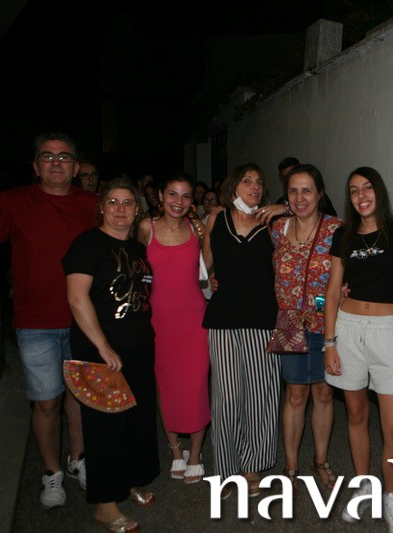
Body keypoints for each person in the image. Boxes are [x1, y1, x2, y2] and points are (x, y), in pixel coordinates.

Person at [0, 132, 95, 508]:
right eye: (47, 156)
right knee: (46, 401)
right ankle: (51, 473)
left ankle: (78, 459)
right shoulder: (14, 202)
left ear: (76, 167)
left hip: (85, 320)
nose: (56, 162)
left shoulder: (93, 205)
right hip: (36, 323)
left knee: (80, 396)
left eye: (64, 157)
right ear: (36, 166)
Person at [63, 179, 159, 532]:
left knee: (135, 420)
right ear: (101, 207)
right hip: (100, 348)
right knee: (105, 427)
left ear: (137, 210)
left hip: (138, 345)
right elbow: (77, 298)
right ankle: (105, 504)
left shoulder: (137, 247)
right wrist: (103, 346)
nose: (121, 209)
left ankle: (126, 482)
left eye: (128, 203)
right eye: (113, 202)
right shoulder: (87, 244)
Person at [323, 166, 393, 532]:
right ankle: (364, 487)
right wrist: (329, 342)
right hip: (348, 330)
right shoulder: (343, 235)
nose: (361, 196)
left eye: (367, 188)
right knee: (356, 415)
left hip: (388, 334)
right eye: (354, 190)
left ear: (380, 191)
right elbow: (332, 291)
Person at [202, 163, 280, 496]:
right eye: (247, 180)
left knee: (261, 395)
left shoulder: (273, 223)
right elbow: (204, 266)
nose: (254, 186)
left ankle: (252, 465)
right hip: (223, 318)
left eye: (259, 182)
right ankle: (226, 468)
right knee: (226, 397)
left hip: (263, 319)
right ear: (233, 186)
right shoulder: (216, 220)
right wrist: (208, 280)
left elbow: (311, 214)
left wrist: (283, 207)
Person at [269, 164, 343, 493]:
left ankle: (320, 460)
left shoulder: (336, 229)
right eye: (293, 191)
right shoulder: (276, 229)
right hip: (289, 323)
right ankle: (291, 466)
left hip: (327, 323)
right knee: (295, 395)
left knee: (324, 393)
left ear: (320, 193)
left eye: (307, 191)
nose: (300, 198)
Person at [137, 173, 210, 484]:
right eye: (172, 194)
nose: (178, 202)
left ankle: (195, 453)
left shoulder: (197, 228)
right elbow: (135, 270)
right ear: (160, 196)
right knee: (165, 386)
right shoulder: (146, 228)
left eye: (185, 196)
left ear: (192, 201)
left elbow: (208, 265)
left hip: (194, 320)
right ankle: (175, 450)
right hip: (158, 321)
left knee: (197, 385)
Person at [257, 156, 337, 225]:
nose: (299, 198)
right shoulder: (280, 203)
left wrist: (286, 209)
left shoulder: (318, 197)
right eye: (286, 177)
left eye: (306, 191)